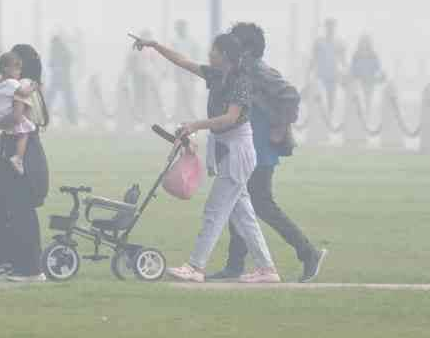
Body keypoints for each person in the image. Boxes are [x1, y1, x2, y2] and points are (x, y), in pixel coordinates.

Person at [133, 32, 281, 284]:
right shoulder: (216, 74)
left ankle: (195, 267)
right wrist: (154, 45)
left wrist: (195, 125)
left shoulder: (241, 82)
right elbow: (182, 61)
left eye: (213, 50)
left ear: (224, 55)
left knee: (214, 211)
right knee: (243, 216)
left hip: (238, 152)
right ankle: (267, 269)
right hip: (227, 149)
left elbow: (231, 118)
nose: (209, 53)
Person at [209, 22, 327, 283]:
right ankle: (235, 265)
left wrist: (280, 127)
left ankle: (308, 253)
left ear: (247, 48)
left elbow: (291, 95)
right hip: (250, 146)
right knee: (239, 202)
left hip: (260, 148)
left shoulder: (258, 69)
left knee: (258, 203)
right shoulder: (243, 70)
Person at [0, 43, 50, 283]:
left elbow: (20, 120)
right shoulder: (13, 88)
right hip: (10, 150)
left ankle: (30, 268)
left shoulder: (28, 89)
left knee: (21, 212)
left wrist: (7, 119)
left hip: (25, 152)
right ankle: (7, 263)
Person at [0, 51, 38, 174]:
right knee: (24, 132)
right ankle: (18, 157)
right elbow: (24, 93)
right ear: (6, 69)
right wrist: (32, 87)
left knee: (5, 133)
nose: (19, 72)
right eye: (17, 69)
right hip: (10, 115)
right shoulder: (13, 83)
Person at [308, 18, 346, 113]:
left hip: (333, 75)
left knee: (331, 98)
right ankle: (321, 116)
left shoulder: (339, 43)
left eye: (332, 26)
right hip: (321, 75)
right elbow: (314, 58)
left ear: (334, 28)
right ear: (325, 28)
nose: (330, 29)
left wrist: (346, 72)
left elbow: (343, 60)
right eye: (329, 26)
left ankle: (329, 117)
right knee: (320, 98)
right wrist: (309, 71)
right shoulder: (319, 42)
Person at [46, 32, 78, 125]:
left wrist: (60, 67)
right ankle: (72, 119)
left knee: (56, 98)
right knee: (67, 99)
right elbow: (51, 63)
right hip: (61, 78)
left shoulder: (59, 49)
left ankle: (72, 119)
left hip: (61, 78)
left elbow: (68, 60)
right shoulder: (59, 49)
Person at [172, 19, 201, 121]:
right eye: (179, 28)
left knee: (190, 100)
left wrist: (194, 75)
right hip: (180, 75)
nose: (180, 29)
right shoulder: (175, 42)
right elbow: (173, 61)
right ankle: (179, 121)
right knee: (180, 100)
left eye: (182, 27)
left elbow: (196, 57)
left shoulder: (192, 42)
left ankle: (193, 121)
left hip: (190, 74)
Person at [349, 34, 385, 109]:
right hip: (359, 81)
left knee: (368, 99)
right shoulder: (356, 55)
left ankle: (367, 113)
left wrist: (380, 75)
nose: (364, 44)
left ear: (369, 43)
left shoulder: (373, 55)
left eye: (366, 42)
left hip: (369, 81)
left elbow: (378, 68)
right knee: (358, 99)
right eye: (363, 41)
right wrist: (353, 77)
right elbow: (352, 68)